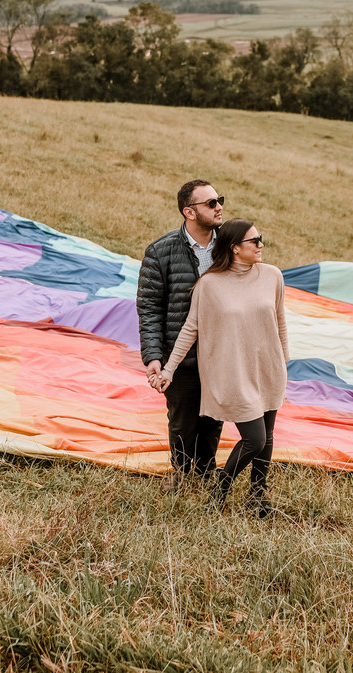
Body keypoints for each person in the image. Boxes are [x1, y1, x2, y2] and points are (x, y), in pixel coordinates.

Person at [154, 219, 289, 517]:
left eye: (260, 239)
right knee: (255, 439)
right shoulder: (210, 284)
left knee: (267, 435)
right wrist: (169, 369)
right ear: (235, 248)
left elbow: (280, 321)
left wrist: (283, 361)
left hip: (268, 369)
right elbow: (191, 328)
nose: (261, 245)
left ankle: (258, 498)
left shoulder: (272, 276)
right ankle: (220, 491)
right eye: (255, 240)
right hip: (232, 374)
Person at [137, 180, 225, 488]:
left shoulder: (232, 247)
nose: (219, 207)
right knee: (183, 422)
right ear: (189, 212)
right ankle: (183, 475)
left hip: (221, 355)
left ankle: (206, 475)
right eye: (211, 203)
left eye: (220, 200)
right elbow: (149, 309)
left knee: (213, 421)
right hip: (180, 355)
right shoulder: (160, 252)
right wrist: (152, 356)